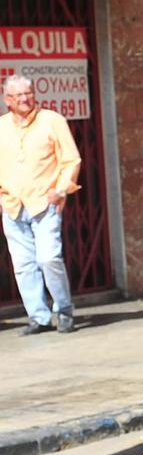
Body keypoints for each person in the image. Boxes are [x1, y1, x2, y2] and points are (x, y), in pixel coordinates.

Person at [0, 74, 81, 335]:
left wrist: (59, 191)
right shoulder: (1, 127)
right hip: (12, 205)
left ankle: (64, 309)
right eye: (18, 95)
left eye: (28, 93)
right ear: (7, 100)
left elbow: (71, 159)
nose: (25, 99)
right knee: (23, 266)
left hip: (44, 203)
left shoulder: (52, 121)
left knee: (48, 258)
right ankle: (39, 316)